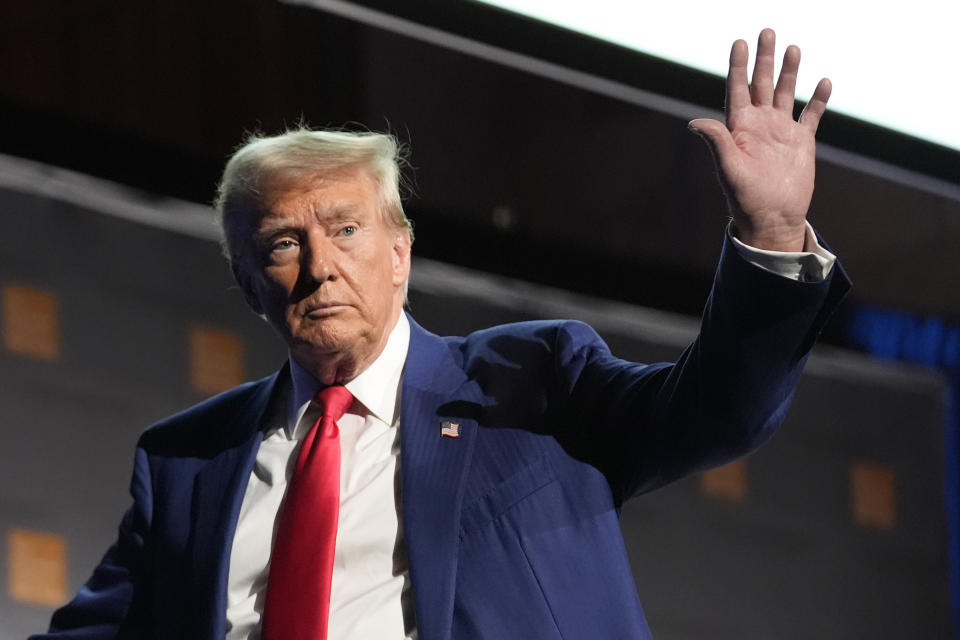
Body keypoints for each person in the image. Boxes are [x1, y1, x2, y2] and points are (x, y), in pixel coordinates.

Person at [34, 29, 849, 639]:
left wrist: (772, 234)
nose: (321, 268)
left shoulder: (531, 383)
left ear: (400, 254)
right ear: (248, 281)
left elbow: (718, 411)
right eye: (284, 243)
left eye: (346, 231)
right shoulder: (186, 463)